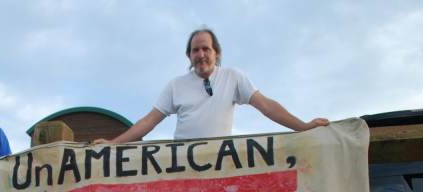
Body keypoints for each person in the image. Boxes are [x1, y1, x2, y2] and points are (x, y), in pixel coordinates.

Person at [98, 28, 328, 144]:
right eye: (195, 50)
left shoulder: (234, 77)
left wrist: (303, 127)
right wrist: (113, 144)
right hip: (184, 170)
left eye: (206, 49)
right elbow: (148, 121)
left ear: (216, 53)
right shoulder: (175, 86)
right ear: (188, 56)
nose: (201, 54)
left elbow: (266, 106)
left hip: (219, 169)